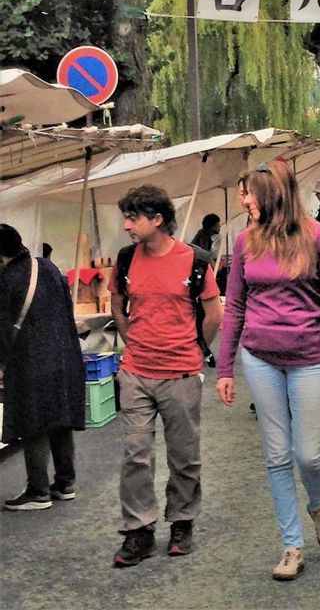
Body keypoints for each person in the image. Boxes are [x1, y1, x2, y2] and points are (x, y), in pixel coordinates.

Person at [216, 161, 320, 581]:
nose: (243, 200)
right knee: (276, 455)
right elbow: (235, 305)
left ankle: (318, 506)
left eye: (249, 193)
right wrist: (225, 366)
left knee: (307, 453)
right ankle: (291, 545)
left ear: (273, 195)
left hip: (309, 357)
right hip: (259, 357)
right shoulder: (245, 241)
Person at [109, 185, 223, 566]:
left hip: (181, 373)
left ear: (157, 220)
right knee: (135, 455)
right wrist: (136, 344)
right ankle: (138, 530)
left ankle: (182, 522)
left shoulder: (194, 261)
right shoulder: (126, 260)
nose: (126, 225)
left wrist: (192, 350)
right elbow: (118, 306)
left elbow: (213, 314)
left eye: (132, 218)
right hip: (136, 372)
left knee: (184, 455)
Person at [0, 224, 85, 511]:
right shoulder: (47, 267)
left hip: (31, 361)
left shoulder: (7, 279)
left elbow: (2, 330)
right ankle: (65, 483)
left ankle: (38, 491)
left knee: (33, 424)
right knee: (60, 420)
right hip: (65, 356)